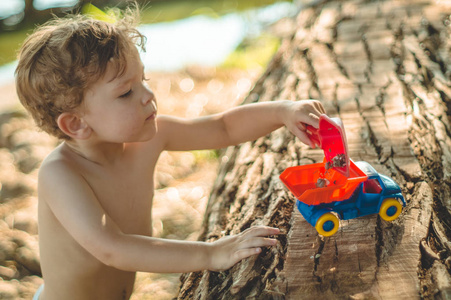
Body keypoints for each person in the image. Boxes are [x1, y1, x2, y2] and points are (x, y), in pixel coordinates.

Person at [15, 8, 326, 300]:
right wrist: (211, 253)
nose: (149, 95)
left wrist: (283, 112)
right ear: (76, 123)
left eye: (143, 80)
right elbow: (111, 247)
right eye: (126, 92)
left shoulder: (148, 138)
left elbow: (223, 128)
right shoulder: (61, 173)